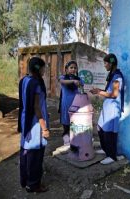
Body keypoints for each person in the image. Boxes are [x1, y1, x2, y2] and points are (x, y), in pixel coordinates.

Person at [17, 57, 50, 193]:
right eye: (43, 67)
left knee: (26, 152)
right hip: (35, 123)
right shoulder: (36, 83)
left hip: (26, 120)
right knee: (35, 155)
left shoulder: (24, 80)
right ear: (39, 68)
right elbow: (37, 108)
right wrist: (45, 128)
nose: (45, 70)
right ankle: (34, 185)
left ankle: (25, 180)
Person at [90, 53, 124, 165]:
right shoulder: (112, 75)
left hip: (113, 109)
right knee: (100, 129)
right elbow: (109, 91)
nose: (104, 65)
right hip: (107, 107)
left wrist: (99, 92)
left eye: (105, 63)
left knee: (109, 133)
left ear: (111, 63)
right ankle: (106, 151)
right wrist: (98, 90)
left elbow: (114, 94)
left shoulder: (117, 76)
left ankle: (112, 156)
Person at [58, 60, 83, 147]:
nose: (73, 69)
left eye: (75, 68)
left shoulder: (79, 79)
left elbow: (81, 86)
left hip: (76, 106)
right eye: (71, 67)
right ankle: (66, 140)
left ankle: (75, 141)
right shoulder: (63, 77)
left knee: (75, 124)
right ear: (66, 69)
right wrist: (72, 81)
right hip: (66, 106)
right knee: (66, 125)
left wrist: (78, 83)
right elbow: (62, 82)